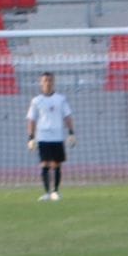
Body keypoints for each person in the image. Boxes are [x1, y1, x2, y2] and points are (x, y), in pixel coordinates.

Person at [26, 71, 76, 202]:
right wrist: (30, 137)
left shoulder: (61, 99)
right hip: (42, 136)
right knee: (44, 164)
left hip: (57, 136)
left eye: (50, 80)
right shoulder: (36, 101)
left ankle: (55, 191)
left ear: (53, 82)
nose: (48, 83)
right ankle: (47, 192)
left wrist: (71, 133)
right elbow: (31, 120)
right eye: (45, 81)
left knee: (56, 164)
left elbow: (68, 117)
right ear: (41, 83)